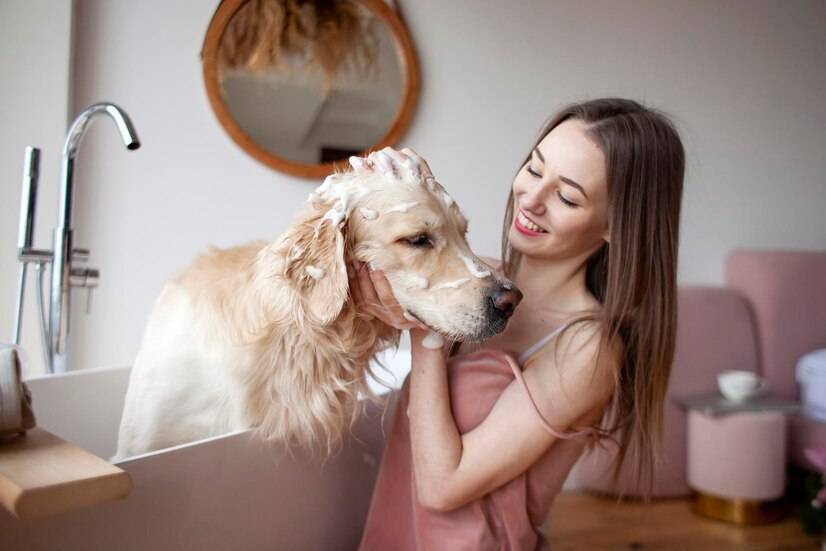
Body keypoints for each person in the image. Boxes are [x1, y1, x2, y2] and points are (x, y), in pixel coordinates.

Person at [349, 98, 685, 550]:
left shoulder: (586, 347)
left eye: (566, 196)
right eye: (533, 167)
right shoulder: (473, 281)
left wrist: (424, 323)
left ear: (616, 225)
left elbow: (442, 488)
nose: (530, 198)